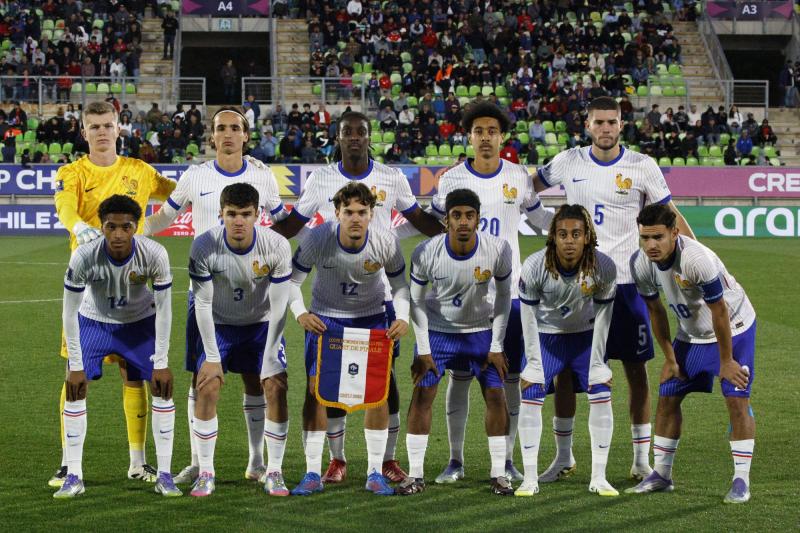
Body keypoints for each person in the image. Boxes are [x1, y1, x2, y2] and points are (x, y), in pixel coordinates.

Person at [270, 111, 442, 484]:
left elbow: (415, 221)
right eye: (346, 132)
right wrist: (259, 244)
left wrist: (453, 233)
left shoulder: (391, 180)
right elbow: (294, 227)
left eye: (360, 132)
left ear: (369, 137)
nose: (353, 137)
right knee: (322, 388)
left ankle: (385, 462)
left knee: (384, 385)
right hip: (328, 311)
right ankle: (331, 462)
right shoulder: (321, 187)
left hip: (375, 303)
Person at [533, 96, 695, 483]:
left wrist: (696, 254)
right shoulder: (568, 160)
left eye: (612, 122)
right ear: (586, 125)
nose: (605, 128)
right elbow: (528, 187)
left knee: (635, 370)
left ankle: (641, 459)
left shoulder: (642, 166)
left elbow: (669, 216)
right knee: (568, 375)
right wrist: (545, 224)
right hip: (578, 284)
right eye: (598, 122)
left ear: (622, 124)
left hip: (629, 285)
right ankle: (564, 457)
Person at [144, 106, 288, 487]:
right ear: (211, 136)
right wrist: (132, 232)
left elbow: (284, 222)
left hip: (256, 295)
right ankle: (197, 463)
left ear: (245, 136)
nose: (227, 133)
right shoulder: (195, 176)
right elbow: (164, 218)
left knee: (258, 380)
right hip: (205, 294)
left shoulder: (262, 176)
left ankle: (258, 462)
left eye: (234, 128)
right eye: (221, 128)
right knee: (202, 379)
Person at [51, 101, 176, 488]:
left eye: (108, 125)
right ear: (84, 132)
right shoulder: (72, 172)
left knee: (134, 375)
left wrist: (159, 221)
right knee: (74, 375)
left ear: (119, 128)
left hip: (135, 283)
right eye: (94, 126)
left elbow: (177, 195)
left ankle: (138, 462)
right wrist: (77, 226)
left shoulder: (139, 170)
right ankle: (67, 462)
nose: (102, 131)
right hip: (89, 285)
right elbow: (65, 207)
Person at [429, 101, 552, 485]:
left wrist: (576, 224)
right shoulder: (450, 180)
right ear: (469, 137)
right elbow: (436, 230)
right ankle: (455, 460)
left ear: (502, 137)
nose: (485, 137)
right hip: (460, 295)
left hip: (510, 295)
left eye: (492, 131)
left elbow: (539, 219)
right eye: (478, 131)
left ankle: (508, 458)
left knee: (509, 377)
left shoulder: (519, 176)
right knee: (459, 377)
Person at [627, 204, 756, 504]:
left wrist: (726, 361)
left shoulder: (697, 259)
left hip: (734, 329)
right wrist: (670, 358)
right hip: (691, 334)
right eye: (645, 238)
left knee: (737, 398)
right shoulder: (641, 263)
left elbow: (719, 311)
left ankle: (741, 480)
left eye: (657, 237)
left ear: (674, 233)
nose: (650, 245)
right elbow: (655, 310)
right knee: (668, 394)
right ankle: (661, 474)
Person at [288, 182, 410, 496]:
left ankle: (374, 472)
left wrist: (402, 316)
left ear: (372, 214)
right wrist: (300, 312)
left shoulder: (385, 240)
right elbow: (292, 281)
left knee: (377, 394)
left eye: (362, 212)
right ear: (337, 213)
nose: (355, 218)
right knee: (316, 393)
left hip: (371, 321)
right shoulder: (318, 238)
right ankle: (314, 471)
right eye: (349, 212)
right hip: (326, 322)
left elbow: (401, 286)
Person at [397, 189, 515, 496]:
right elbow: (417, 302)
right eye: (456, 215)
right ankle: (415, 475)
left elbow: (503, 296)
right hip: (438, 332)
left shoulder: (498, 249)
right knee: (423, 396)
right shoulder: (425, 251)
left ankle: (499, 474)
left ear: (478, 219)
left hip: (480, 332)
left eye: (469, 215)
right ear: (446, 219)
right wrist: (423, 349)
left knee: (496, 396)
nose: (463, 222)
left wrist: (497, 345)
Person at [187, 183, 292, 497]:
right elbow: (202, 304)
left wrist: (272, 353)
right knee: (206, 385)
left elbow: (279, 305)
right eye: (231, 214)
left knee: (276, 385)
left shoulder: (276, 245)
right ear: (221, 214)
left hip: (260, 324)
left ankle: (269, 468)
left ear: (258, 214)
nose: (238, 221)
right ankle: (206, 472)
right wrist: (212, 356)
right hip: (217, 323)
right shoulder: (204, 246)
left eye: (246, 214)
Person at [515, 204, 618, 498]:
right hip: (547, 339)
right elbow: (527, 318)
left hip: (585, 339)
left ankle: (599, 477)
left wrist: (598, 362)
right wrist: (534, 362)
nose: (569, 240)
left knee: (601, 389)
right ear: (553, 238)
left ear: (587, 236)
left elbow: (603, 317)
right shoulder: (534, 267)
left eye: (576, 233)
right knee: (531, 391)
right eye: (563, 234)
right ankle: (530, 478)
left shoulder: (604, 266)